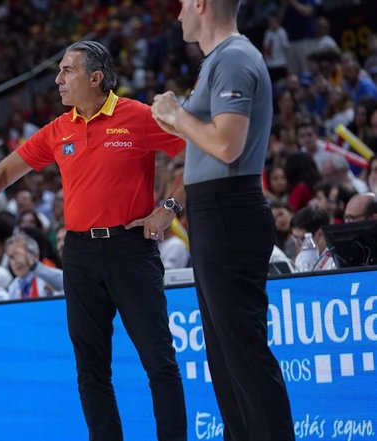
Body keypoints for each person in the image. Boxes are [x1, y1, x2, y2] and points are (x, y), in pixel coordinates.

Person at [0, 40, 186, 441]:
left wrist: (169, 208)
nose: (58, 80)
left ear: (95, 77)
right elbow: (4, 172)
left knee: (159, 361)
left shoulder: (137, 116)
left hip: (130, 249)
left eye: (66, 71)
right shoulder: (58, 129)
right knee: (90, 368)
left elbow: (197, 150)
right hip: (81, 254)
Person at [151, 0, 295, 439]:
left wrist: (178, 115)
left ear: (201, 5)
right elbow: (205, 148)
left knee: (243, 356)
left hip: (230, 211)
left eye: (181, 6)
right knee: (227, 359)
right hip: (215, 211)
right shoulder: (219, 60)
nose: (177, 16)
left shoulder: (233, 57)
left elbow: (227, 145)